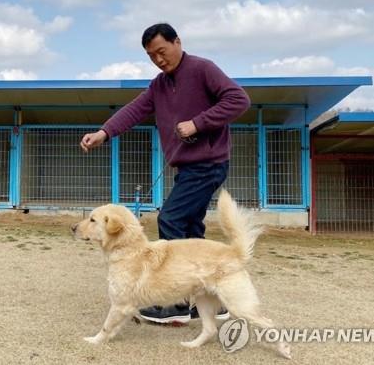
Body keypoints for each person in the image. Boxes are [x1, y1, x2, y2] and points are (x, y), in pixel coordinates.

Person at [80, 23, 250, 323]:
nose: (158, 59)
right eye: (151, 55)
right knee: (190, 228)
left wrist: (198, 123)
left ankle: (177, 304)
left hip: (208, 163)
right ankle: (208, 301)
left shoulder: (202, 69)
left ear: (177, 42)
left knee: (170, 219)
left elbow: (238, 100)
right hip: (187, 168)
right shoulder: (159, 85)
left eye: (162, 51)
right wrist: (104, 132)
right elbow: (134, 110)